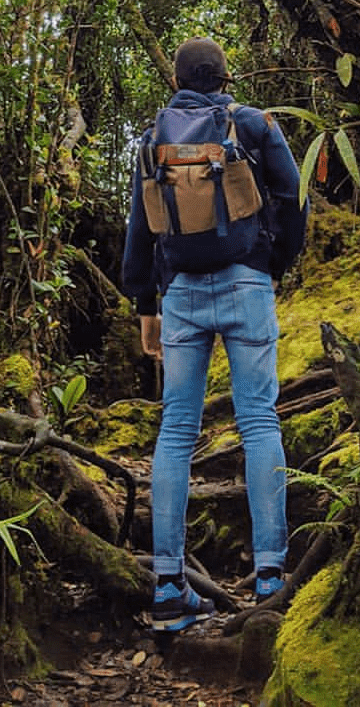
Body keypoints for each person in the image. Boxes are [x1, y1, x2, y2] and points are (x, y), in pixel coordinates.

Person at [122, 37, 308, 632]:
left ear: (175, 79)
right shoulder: (250, 124)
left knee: (176, 431)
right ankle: (272, 576)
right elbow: (293, 196)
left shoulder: (153, 140)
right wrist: (273, 264)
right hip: (246, 283)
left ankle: (170, 588)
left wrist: (144, 304)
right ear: (225, 76)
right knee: (259, 422)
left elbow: (139, 227)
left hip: (179, 294)